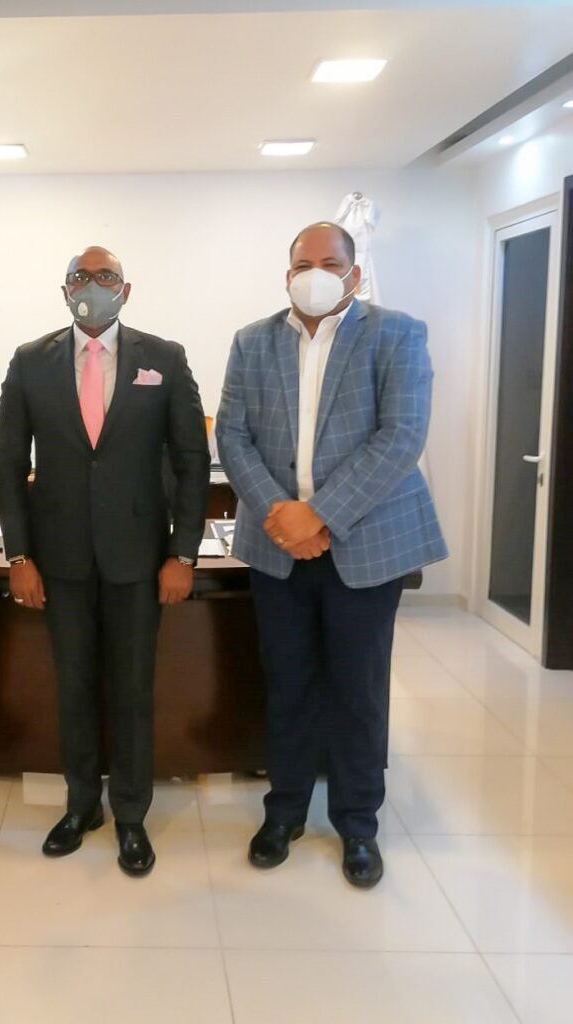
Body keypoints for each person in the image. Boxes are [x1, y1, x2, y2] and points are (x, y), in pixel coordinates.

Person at [215, 222, 447, 888]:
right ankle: (284, 812)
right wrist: (282, 515)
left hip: (364, 544)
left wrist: (317, 515)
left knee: (358, 690)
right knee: (287, 685)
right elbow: (232, 436)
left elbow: (400, 436)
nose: (314, 273)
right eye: (302, 264)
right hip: (277, 547)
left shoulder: (396, 334)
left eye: (329, 262)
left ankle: (357, 823)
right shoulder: (252, 341)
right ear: (286, 274)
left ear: (353, 273)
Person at [0, 246, 210, 876]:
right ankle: (82, 805)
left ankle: (132, 815)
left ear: (126, 290)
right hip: (58, 561)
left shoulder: (165, 358)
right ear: (64, 290)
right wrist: (19, 554)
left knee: (133, 691)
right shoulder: (29, 361)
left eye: (106, 276)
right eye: (81, 277)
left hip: (138, 561)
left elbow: (192, 462)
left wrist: (183, 553)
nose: (93, 285)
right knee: (74, 689)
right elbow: (9, 464)